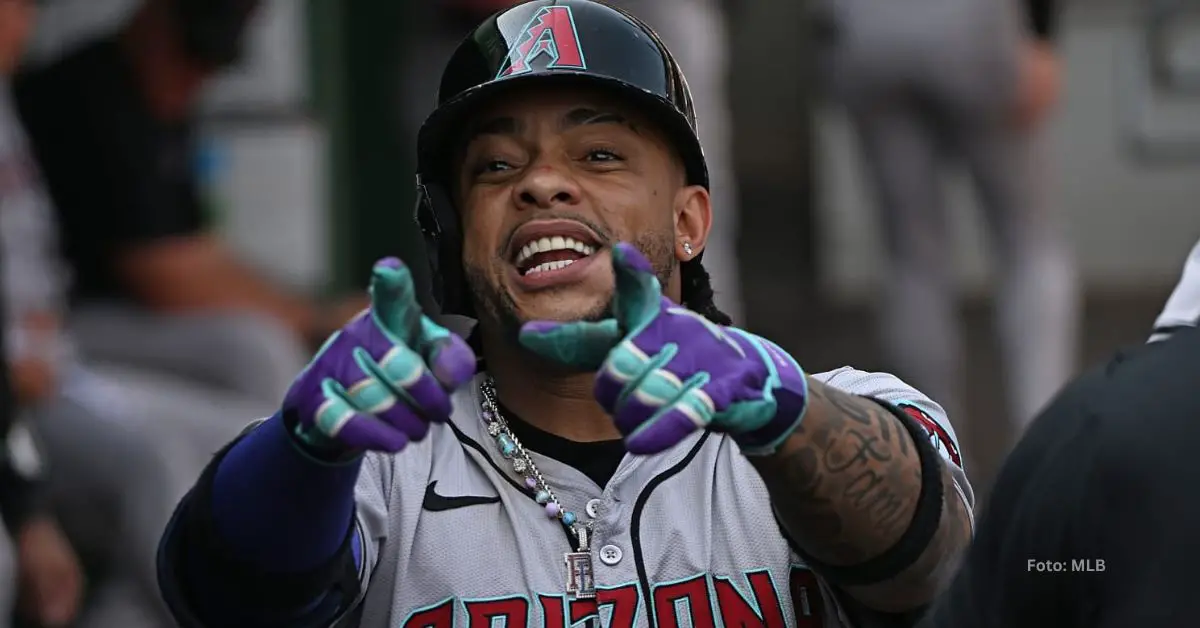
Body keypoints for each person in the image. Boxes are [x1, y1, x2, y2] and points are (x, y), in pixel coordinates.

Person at [157, 1, 975, 626]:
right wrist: (303, 455)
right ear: (454, 237)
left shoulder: (847, 412)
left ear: (690, 221)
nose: (541, 184)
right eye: (496, 165)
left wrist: (789, 421)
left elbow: (933, 567)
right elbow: (224, 598)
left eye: (600, 155)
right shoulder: (376, 475)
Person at [11, 0, 355, 412]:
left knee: (263, 353)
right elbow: (163, 276)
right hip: (58, 321)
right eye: (191, 56)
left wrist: (316, 315)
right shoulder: (88, 95)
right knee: (253, 352)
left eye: (207, 66)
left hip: (110, 321)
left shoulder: (162, 108)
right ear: (154, 22)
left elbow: (197, 251)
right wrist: (314, 322)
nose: (193, 79)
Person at [818, 0, 1078, 430]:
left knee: (912, 260)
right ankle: (1044, 445)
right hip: (975, 26)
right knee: (1030, 244)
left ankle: (935, 455)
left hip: (868, 31)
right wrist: (1042, 34)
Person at [918, 238, 1200, 627]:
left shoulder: (1104, 431)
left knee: (917, 247)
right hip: (1101, 442)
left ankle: (949, 467)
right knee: (1027, 240)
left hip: (1095, 447)